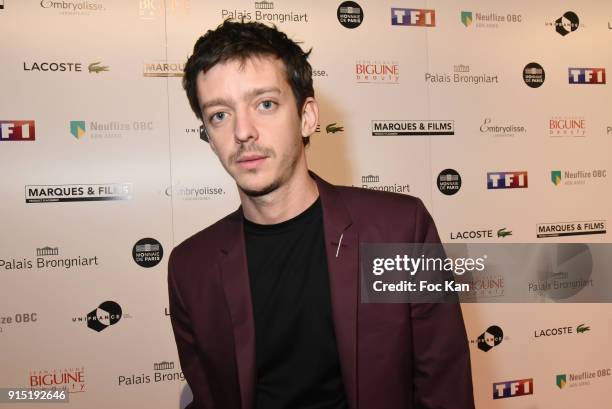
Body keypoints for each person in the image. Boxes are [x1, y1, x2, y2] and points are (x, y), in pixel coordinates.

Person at [168, 20, 475, 409]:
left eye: (265, 104)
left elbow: (445, 386)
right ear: (208, 137)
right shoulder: (191, 267)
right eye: (219, 115)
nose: (243, 131)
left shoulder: (399, 230)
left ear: (308, 116)